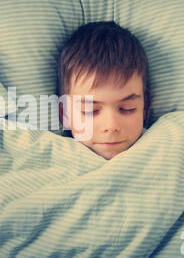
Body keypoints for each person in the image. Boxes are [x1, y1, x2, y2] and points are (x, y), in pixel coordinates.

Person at [57, 21, 151, 160]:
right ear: (64, 113)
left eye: (127, 108)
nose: (111, 126)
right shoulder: (53, 153)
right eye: (90, 110)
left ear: (145, 107)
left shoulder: (164, 143)